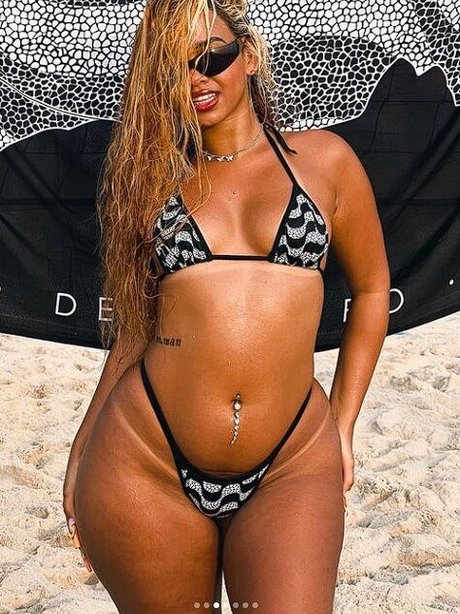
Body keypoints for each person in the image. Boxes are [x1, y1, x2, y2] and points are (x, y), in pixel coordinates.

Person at [62, 0, 390, 611]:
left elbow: (373, 291)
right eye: (174, 69)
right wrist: (82, 449)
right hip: (146, 458)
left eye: (211, 57)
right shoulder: (150, 178)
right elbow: (134, 330)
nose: (197, 78)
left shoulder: (326, 162)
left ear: (250, 55)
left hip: (292, 460)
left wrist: (344, 426)